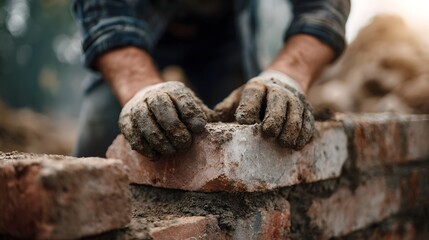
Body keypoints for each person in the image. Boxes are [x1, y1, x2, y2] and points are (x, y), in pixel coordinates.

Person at [72, 0, 350, 158]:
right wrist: (139, 89)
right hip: (131, 30)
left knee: (246, 138)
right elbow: (103, 16)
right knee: (100, 138)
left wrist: (285, 76)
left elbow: (323, 10)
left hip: (224, 32)